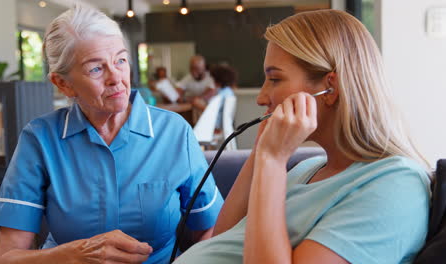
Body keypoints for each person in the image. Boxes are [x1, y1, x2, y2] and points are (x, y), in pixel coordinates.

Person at [175, 9, 431, 264]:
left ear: (331, 89)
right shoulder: (307, 169)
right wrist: (262, 152)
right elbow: (223, 239)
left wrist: (273, 161)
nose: (262, 98)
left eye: (274, 79)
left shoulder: (395, 184)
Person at [0, 4, 223, 264]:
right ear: (63, 84)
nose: (116, 78)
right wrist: (74, 255)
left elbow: (212, 231)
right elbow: (5, 258)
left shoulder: (174, 132)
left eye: (120, 60)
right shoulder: (40, 139)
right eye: (96, 69)